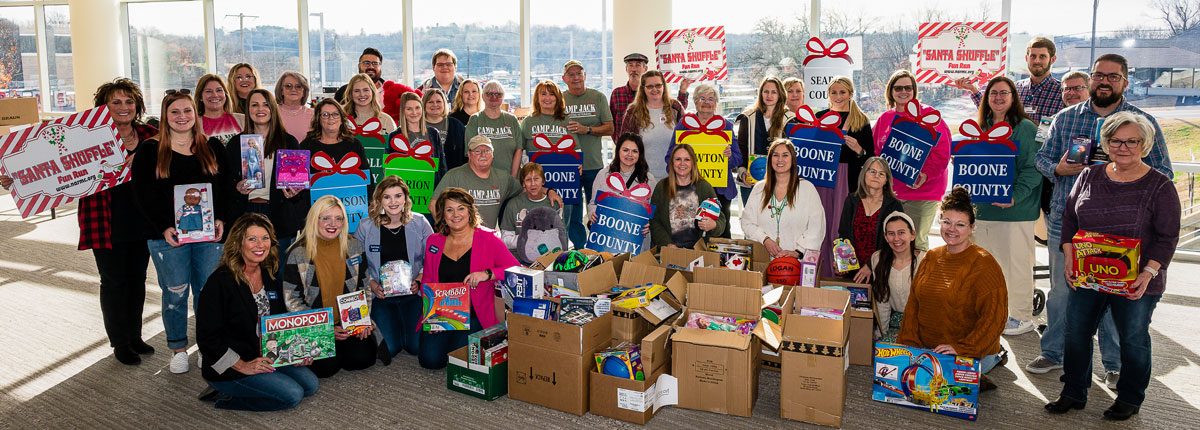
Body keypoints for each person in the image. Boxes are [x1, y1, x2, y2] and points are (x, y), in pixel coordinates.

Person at [1029, 53, 1174, 378]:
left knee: (1115, 293)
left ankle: (1114, 365)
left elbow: (1164, 172)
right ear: (1091, 78)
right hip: (1068, 222)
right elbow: (1042, 159)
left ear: (1125, 82)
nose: (1104, 81)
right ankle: (1054, 352)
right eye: (1099, 75)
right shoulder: (1065, 118)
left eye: (1113, 76)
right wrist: (1058, 169)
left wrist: (1127, 170)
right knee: (1062, 292)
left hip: (1122, 228)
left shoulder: (1143, 122)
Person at [0, 78, 158, 365]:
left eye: (129, 101)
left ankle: (135, 336)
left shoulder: (151, 135)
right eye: (116, 102)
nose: (124, 107)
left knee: (137, 281)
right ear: (103, 107)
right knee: (113, 282)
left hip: (143, 220)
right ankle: (120, 342)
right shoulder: (83, 137)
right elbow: (45, 165)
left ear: (138, 106)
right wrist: (15, 177)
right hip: (104, 220)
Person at [1045, 111, 1181, 420]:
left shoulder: (1160, 185)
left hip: (1137, 279)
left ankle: (1130, 398)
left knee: (1132, 339)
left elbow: (1168, 236)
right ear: (1106, 143)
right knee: (1076, 333)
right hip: (1088, 275)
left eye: (1132, 141)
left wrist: (1149, 273)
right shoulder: (1089, 175)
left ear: (1144, 144)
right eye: (1116, 141)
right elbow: (1070, 218)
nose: (1123, 147)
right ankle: (1073, 392)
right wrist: (1069, 256)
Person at [131, 91, 232, 374]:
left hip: (209, 236)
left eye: (187, 111)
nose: (182, 117)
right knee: (175, 293)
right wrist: (162, 227)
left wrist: (221, 220)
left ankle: (206, 346)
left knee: (206, 292)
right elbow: (141, 195)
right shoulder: (150, 150)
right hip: (168, 237)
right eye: (174, 112)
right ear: (165, 116)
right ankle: (178, 348)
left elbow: (226, 189)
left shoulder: (212, 146)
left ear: (195, 114)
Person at [196, 213, 318, 411]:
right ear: (238, 243)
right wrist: (243, 365)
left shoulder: (269, 274)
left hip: (265, 352)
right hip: (232, 364)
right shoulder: (220, 282)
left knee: (310, 385)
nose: (260, 245)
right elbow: (207, 338)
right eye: (252, 239)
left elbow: (279, 321)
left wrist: (296, 352)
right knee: (292, 395)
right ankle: (224, 396)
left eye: (265, 238)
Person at [896, 187, 1008, 390]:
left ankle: (991, 361)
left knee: (942, 388)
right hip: (930, 349)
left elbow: (995, 318)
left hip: (969, 350)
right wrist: (908, 346)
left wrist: (962, 348)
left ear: (972, 227)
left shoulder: (985, 264)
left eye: (960, 224)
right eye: (947, 222)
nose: (951, 229)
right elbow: (914, 304)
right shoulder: (931, 256)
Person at [968, 76, 1042, 336]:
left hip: (1015, 212)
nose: (998, 98)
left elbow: (1033, 169)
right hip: (983, 210)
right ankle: (992, 312)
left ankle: (1020, 316)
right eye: (993, 93)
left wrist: (1014, 196)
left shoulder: (1025, 128)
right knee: (987, 267)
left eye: (1004, 93)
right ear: (986, 98)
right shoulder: (981, 126)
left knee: (1016, 266)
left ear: (1013, 97)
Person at [420, 188, 519, 369]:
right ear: (443, 214)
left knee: (458, 359)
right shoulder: (434, 241)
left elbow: (517, 269)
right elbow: (427, 280)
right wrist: (430, 317)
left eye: (461, 208)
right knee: (430, 360)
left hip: (476, 313)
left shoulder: (488, 238)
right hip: (442, 313)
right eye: (449, 210)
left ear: (470, 211)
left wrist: (487, 274)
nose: (456, 214)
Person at [283, 196, 378, 378]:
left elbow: (364, 286)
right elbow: (292, 300)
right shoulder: (298, 253)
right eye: (325, 218)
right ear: (314, 219)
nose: (332, 224)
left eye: (338, 218)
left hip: (348, 321)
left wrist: (363, 320)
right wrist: (325, 330)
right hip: (315, 326)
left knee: (363, 358)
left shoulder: (354, 246)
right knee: (326, 367)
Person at [354, 175, 434, 359]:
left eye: (398, 196)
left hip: (412, 295)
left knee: (416, 347)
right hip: (381, 296)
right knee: (389, 349)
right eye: (387, 197)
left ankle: (403, 326)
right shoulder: (366, 226)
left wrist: (419, 280)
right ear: (379, 199)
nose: (393, 202)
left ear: (405, 197)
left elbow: (432, 258)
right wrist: (372, 284)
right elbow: (355, 263)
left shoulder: (420, 222)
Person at [871, 70, 952, 251]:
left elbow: (942, 153)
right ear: (890, 91)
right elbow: (876, 153)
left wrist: (926, 174)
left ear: (914, 90)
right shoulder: (885, 118)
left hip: (923, 192)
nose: (903, 92)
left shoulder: (930, 116)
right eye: (898, 88)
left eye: (908, 88)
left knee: (916, 244)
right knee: (891, 244)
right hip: (892, 193)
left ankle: (919, 271)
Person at [229, 88, 307, 260]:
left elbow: (298, 186)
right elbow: (227, 183)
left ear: (273, 109)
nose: (260, 109)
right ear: (248, 109)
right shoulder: (236, 143)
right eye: (254, 105)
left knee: (278, 269)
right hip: (246, 212)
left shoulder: (288, 142)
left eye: (265, 105)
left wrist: (295, 191)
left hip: (279, 214)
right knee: (247, 267)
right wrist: (237, 187)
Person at [812, 76, 875, 276]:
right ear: (828, 95)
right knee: (820, 224)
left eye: (842, 92)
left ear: (850, 94)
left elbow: (871, 158)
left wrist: (859, 150)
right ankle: (819, 272)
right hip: (822, 178)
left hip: (846, 180)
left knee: (841, 227)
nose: (838, 96)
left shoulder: (861, 120)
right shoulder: (819, 118)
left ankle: (843, 273)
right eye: (834, 92)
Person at [668, 83, 741, 238]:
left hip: (719, 191)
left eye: (710, 99)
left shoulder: (726, 126)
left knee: (721, 234)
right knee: (688, 234)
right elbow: (669, 158)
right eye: (702, 98)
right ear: (695, 102)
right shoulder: (684, 126)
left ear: (716, 103)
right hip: (690, 190)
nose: (706, 102)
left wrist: (729, 157)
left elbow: (737, 159)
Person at [521, 79, 584, 248]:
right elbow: (522, 151)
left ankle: (563, 255)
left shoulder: (567, 121)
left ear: (557, 98)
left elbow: (576, 149)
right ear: (537, 97)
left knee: (563, 222)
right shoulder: (528, 122)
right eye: (543, 94)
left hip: (564, 181)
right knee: (538, 221)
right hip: (537, 182)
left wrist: (578, 164)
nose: (547, 98)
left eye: (551, 94)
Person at [740, 139, 824, 259]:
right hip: (763, 262)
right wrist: (765, 239)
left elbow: (817, 227)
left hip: (796, 263)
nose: (780, 159)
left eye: (785, 155)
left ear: (792, 159)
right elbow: (747, 222)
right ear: (770, 159)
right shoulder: (759, 188)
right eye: (775, 155)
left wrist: (798, 252)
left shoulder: (807, 189)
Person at [954, 37, 1065, 124]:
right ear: (1026, 58)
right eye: (1033, 56)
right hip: (1010, 145)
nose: (1036, 61)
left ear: (1052, 59)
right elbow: (992, 111)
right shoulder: (1015, 88)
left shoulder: (1063, 92)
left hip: (1045, 147)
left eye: (1042, 56)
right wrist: (973, 89)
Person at [853, 212, 924, 343]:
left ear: (913, 235)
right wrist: (881, 334)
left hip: (923, 323)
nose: (896, 238)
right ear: (885, 237)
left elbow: (931, 303)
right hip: (896, 322)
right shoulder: (878, 259)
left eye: (901, 232)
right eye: (891, 234)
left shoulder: (925, 260)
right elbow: (882, 302)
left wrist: (913, 330)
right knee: (885, 348)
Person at [430, 136, 519, 229]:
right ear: (469, 154)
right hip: (461, 236)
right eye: (477, 151)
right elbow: (433, 205)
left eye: (487, 151)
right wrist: (446, 232)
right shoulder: (454, 176)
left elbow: (524, 190)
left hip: (488, 236)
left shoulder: (503, 177)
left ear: (492, 154)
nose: (483, 155)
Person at [650, 144, 727, 249]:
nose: (682, 163)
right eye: (678, 159)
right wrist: (666, 243)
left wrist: (713, 225)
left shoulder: (704, 187)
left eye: (687, 159)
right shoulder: (661, 186)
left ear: (693, 163)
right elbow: (653, 220)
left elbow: (721, 219)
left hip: (698, 251)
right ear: (672, 162)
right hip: (669, 250)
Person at [561, 60, 614, 207]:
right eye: (571, 74)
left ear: (585, 75)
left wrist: (587, 129)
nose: (576, 77)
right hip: (568, 165)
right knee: (571, 213)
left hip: (593, 164)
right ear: (564, 79)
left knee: (596, 209)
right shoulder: (559, 100)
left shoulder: (598, 97)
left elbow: (610, 128)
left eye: (579, 73)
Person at [838, 156, 904, 275]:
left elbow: (895, 241)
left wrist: (871, 265)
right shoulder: (852, 200)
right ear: (864, 174)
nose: (876, 176)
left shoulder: (894, 205)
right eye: (872, 171)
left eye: (881, 174)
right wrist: (843, 262)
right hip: (853, 270)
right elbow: (844, 234)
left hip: (882, 270)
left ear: (886, 180)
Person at [609, 52, 690, 142]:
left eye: (637, 65)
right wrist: (619, 143)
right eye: (630, 65)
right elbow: (610, 123)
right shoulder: (617, 94)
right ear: (626, 69)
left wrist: (683, 91)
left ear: (645, 69)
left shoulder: (672, 104)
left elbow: (677, 114)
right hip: (627, 147)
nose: (633, 69)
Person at [734, 77, 788, 205]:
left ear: (780, 94)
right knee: (751, 217)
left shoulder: (789, 119)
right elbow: (741, 148)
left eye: (774, 92)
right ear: (760, 93)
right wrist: (742, 172)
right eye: (766, 91)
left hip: (780, 183)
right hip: (751, 182)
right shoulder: (747, 117)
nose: (769, 96)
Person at [620, 70, 683, 178]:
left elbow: (687, 138)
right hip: (642, 176)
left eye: (658, 85)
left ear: (664, 86)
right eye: (650, 86)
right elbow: (624, 144)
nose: (654, 89)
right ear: (643, 88)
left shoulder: (675, 107)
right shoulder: (633, 111)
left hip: (674, 176)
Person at [333, 47, 421, 124]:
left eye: (375, 63)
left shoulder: (391, 92)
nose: (371, 67)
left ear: (380, 66)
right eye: (366, 63)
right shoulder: (343, 92)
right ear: (359, 65)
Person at [464, 80, 524, 179]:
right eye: (489, 94)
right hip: (483, 180)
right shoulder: (475, 119)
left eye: (498, 94)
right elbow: (470, 153)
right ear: (483, 96)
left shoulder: (512, 119)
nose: (494, 97)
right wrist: (481, 178)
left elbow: (519, 149)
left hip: (510, 178)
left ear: (503, 97)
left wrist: (512, 178)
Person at [501, 163, 563, 253]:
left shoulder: (554, 204)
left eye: (536, 179)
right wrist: (528, 238)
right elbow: (505, 239)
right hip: (519, 258)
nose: (533, 184)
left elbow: (561, 237)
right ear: (523, 183)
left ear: (543, 181)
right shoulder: (513, 205)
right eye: (528, 180)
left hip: (549, 257)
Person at [301, 99, 368, 178]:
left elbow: (367, 179)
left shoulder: (354, 144)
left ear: (342, 119)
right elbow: (298, 180)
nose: (331, 118)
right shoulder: (306, 146)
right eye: (325, 114)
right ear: (318, 119)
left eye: (335, 114)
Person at [391, 91, 449, 183]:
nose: (414, 112)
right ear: (403, 111)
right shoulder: (394, 136)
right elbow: (391, 169)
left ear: (422, 109)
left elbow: (442, 167)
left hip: (431, 186)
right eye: (409, 109)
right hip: (404, 187)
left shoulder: (433, 133)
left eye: (417, 108)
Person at [422, 88, 467, 171]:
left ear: (444, 104)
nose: (435, 105)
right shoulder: (416, 126)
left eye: (438, 101)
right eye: (430, 102)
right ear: (424, 105)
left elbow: (465, 154)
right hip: (424, 174)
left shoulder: (456, 125)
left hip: (452, 175)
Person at [194, 74, 245, 145]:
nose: (215, 95)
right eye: (208, 91)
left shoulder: (243, 119)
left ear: (225, 94)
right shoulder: (193, 124)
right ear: (200, 97)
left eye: (219, 90)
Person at [274, 71, 314, 144]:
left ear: (304, 92)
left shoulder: (314, 115)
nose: (293, 89)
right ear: (281, 91)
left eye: (298, 86)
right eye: (288, 86)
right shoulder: (272, 113)